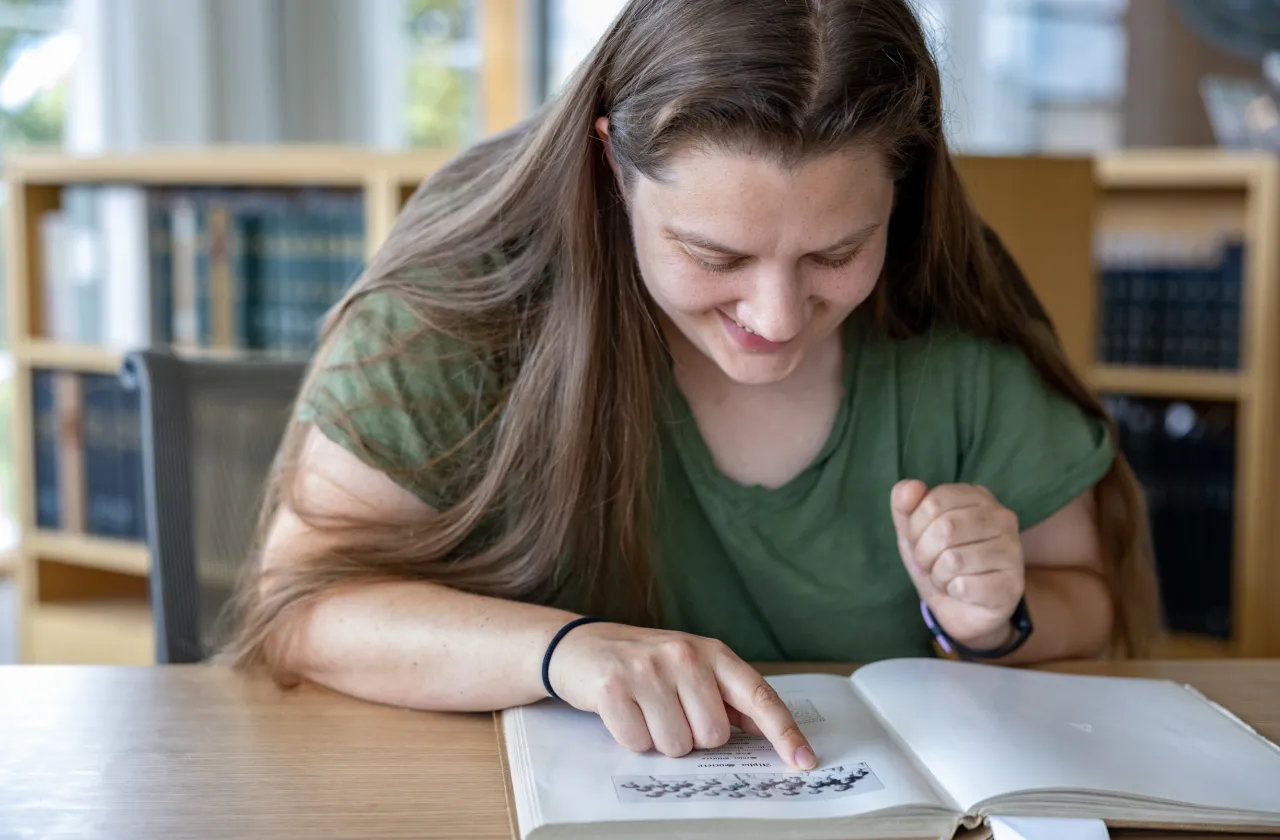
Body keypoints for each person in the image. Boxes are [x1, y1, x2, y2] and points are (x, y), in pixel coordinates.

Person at [222, 0, 1162, 772]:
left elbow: (1088, 596)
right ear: (610, 168)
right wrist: (564, 653)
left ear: (901, 192)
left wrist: (993, 621)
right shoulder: (469, 301)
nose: (781, 314)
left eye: (837, 251)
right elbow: (302, 607)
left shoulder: (949, 322)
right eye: (714, 253)